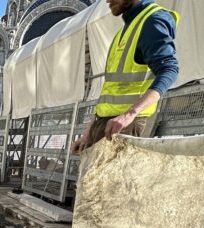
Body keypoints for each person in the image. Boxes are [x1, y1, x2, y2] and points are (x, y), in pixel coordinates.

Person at [72, 0, 179, 153]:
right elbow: (109, 92)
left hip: (124, 127)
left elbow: (169, 70)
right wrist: (89, 133)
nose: (107, 0)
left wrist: (129, 114)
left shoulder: (152, 21)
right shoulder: (126, 30)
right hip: (108, 126)